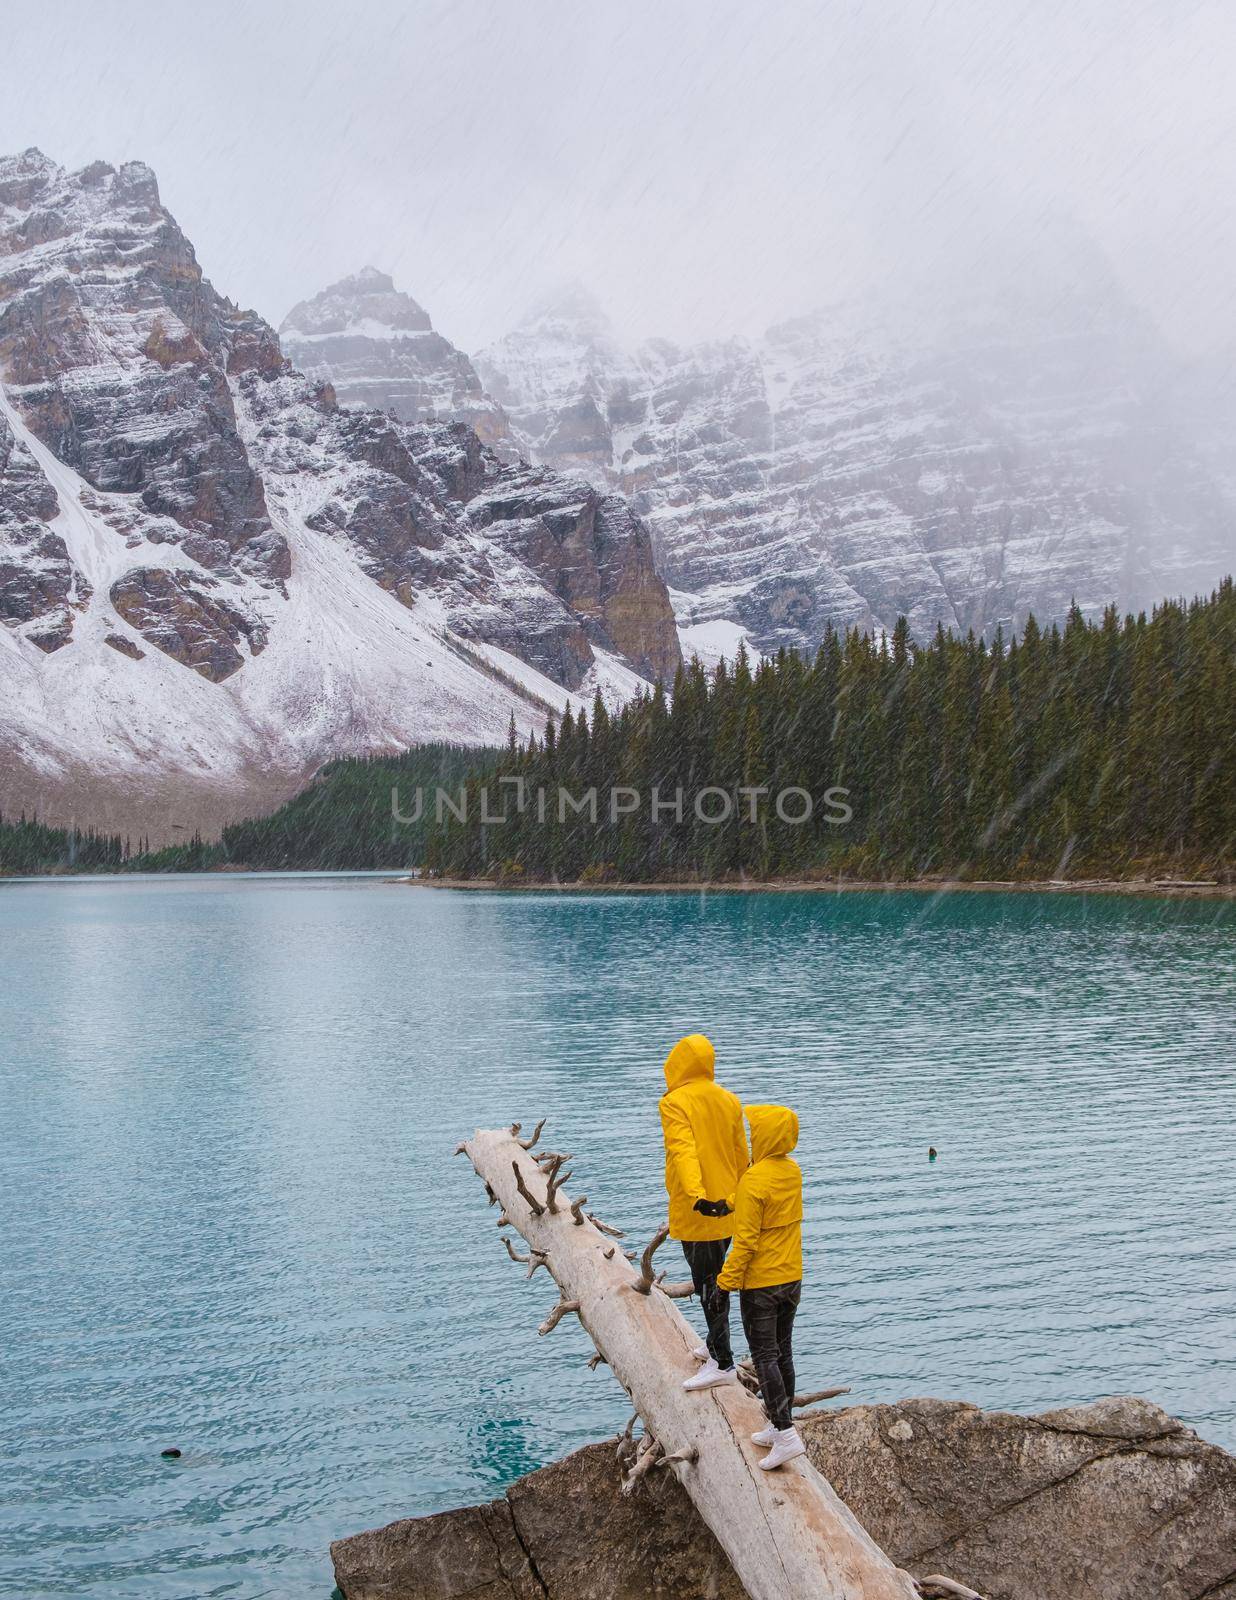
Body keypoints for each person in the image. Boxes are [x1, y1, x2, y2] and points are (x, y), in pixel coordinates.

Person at [717, 1104, 805, 1470]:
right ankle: (777, 1423)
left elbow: (747, 1242)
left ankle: (785, 1434)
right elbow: (763, 1204)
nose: (751, 1138)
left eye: (755, 1134)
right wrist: (730, 1201)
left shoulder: (753, 1179)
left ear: (765, 1137)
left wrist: (724, 1282)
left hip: (762, 1283)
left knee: (765, 1356)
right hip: (792, 1277)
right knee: (783, 1352)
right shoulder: (792, 1170)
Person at [659, 1033, 748, 1391]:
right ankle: (716, 1345)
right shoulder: (729, 1100)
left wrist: (697, 1196)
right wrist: (741, 1196)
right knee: (720, 1280)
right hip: (729, 1206)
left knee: (707, 1284)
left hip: (700, 1211)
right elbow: (741, 1155)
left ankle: (722, 1363)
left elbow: (684, 1152)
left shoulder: (674, 1103)